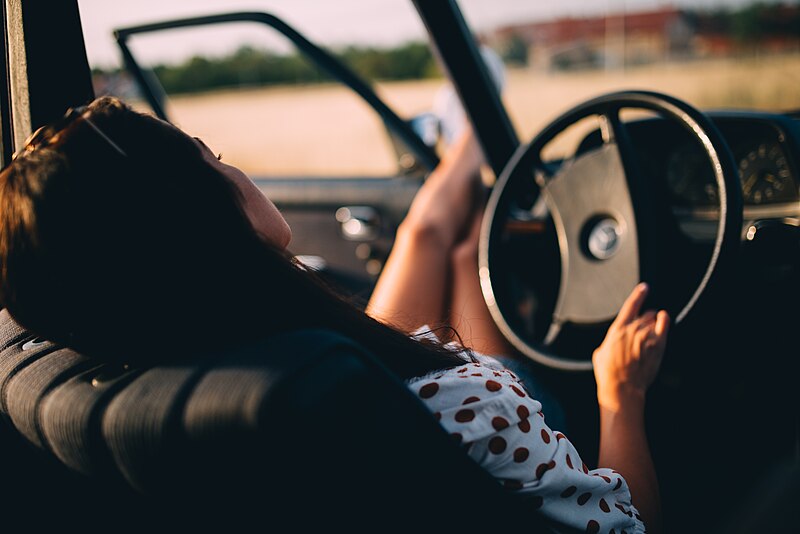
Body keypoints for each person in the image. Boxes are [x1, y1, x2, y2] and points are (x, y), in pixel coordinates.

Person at [0, 96, 668, 533]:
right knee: (445, 250)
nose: (236, 170)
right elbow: (626, 523)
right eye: (216, 160)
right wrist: (621, 392)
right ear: (211, 218)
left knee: (445, 246)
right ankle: (465, 127)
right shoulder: (469, 397)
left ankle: (463, 136)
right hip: (486, 426)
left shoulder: (185, 368)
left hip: (403, 411)